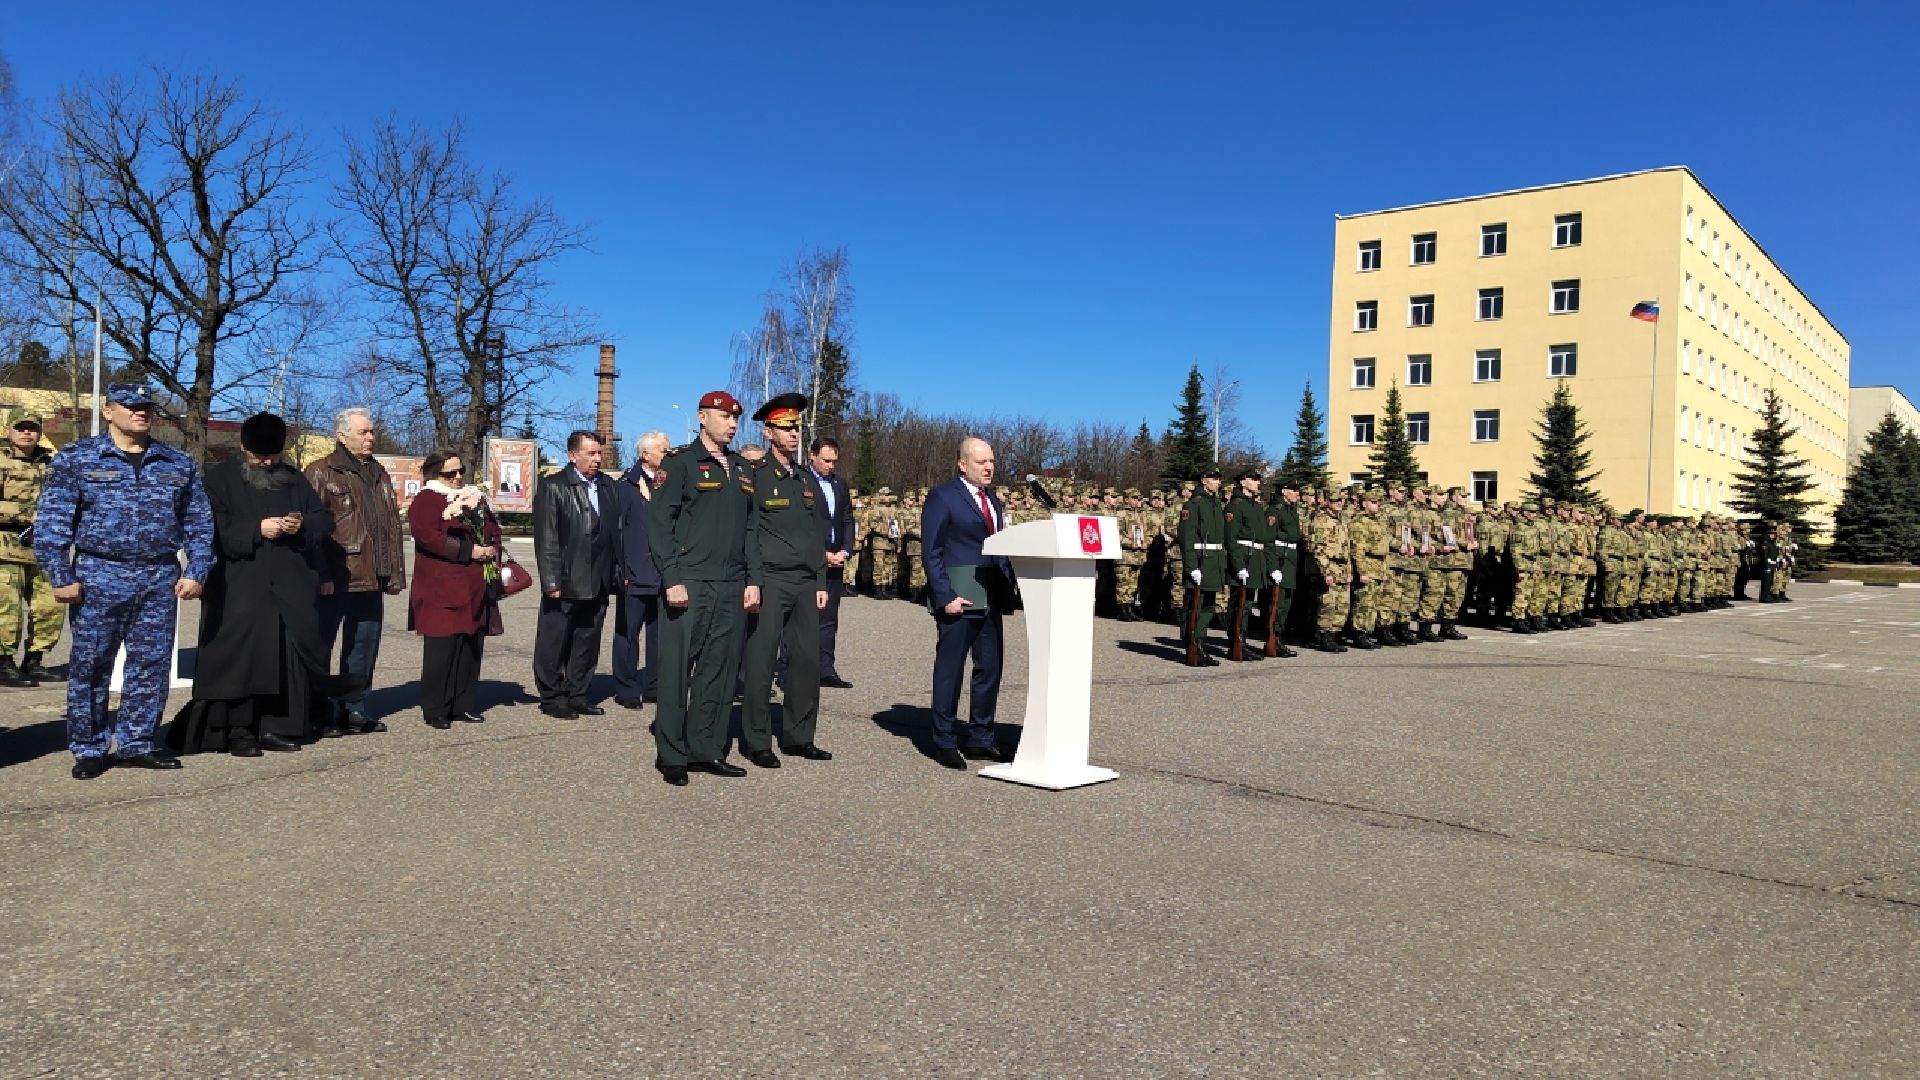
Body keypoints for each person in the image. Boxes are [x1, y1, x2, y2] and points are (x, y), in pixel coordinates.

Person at [33, 383, 214, 779]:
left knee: (151, 665)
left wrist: (197, 570)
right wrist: (61, 575)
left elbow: (199, 523)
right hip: (98, 574)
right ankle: (90, 747)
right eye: (130, 406)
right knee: (91, 665)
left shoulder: (176, 463)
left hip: (158, 576)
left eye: (146, 406)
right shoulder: (78, 458)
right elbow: (52, 523)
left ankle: (137, 743)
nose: (140, 412)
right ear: (108, 411)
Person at [168, 413, 336, 756]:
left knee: (285, 660)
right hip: (238, 585)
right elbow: (208, 528)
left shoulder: (293, 479)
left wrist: (300, 525)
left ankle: (278, 726)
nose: (266, 462)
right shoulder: (220, 479)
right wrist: (256, 529)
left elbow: (323, 520)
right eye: (259, 457)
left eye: (272, 457)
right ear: (244, 448)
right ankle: (238, 731)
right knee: (240, 661)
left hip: (289, 586)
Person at [649, 391, 753, 786]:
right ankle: (672, 754)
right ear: (702, 417)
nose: (732, 424)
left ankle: (705, 750)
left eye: (735, 418)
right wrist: (672, 577)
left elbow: (751, 529)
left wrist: (753, 580)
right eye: (724, 417)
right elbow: (660, 524)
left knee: (718, 671)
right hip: (689, 582)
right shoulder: (680, 464)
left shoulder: (741, 469)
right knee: (676, 671)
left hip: (731, 584)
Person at [739, 393, 832, 767]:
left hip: (805, 583)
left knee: (806, 663)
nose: (794, 434)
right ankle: (757, 741)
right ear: (768, 433)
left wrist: (821, 579)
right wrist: (753, 580)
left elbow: (816, 533)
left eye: (797, 428)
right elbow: (747, 532)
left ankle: (799, 736)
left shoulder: (805, 478)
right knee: (761, 663)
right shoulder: (755, 476)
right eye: (786, 427)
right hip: (771, 581)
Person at [304, 407, 407, 735]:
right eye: (363, 432)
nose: (370, 437)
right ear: (342, 435)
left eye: (372, 431)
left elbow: (390, 527)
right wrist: (321, 575)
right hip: (336, 575)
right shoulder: (320, 471)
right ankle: (317, 712)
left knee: (363, 646)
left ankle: (354, 709)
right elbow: (311, 531)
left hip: (371, 575)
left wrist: (394, 572)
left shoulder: (379, 473)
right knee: (320, 646)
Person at [921, 437, 1017, 770]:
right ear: (962, 464)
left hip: (990, 597)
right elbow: (931, 551)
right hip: (959, 598)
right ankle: (944, 740)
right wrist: (944, 596)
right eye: (981, 462)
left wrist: (1008, 588)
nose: (989, 468)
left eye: (992, 461)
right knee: (951, 670)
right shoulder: (943, 497)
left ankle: (981, 737)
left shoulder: (993, 500)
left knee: (989, 668)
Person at [407, 448, 504, 728]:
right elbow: (428, 537)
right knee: (442, 649)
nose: (458, 476)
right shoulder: (427, 499)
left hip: (474, 586)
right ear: (435, 473)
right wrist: (469, 551)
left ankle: (463, 704)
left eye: (461, 470)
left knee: (470, 647)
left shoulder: (474, 496)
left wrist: (491, 546)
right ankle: (436, 708)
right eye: (451, 473)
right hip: (441, 587)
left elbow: (492, 529)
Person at [531, 431, 622, 718]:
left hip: (599, 579)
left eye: (599, 453)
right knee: (555, 640)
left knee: (587, 640)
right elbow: (546, 538)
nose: (597, 459)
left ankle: (578, 693)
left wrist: (617, 572)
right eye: (590, 453)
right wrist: (551, 581)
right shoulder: (554, 486)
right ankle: (552, 696)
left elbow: (615, 533)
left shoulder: (608, 485)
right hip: (566, 579)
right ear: (573, 455)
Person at [0, 407, 63, 687]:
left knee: (50, 605)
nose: (27, 432)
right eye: (20, 427)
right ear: (8, 430)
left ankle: (34, 661)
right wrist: (28, 514)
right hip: (6, 546)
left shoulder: (52, 463)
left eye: (33, 428)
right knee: (7, 609)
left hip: (45, 547)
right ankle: (3, 664)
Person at [611, 430, 667, 710]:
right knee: (628, 634)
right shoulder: (626, 486)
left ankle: (654, 687)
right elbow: (616, 532)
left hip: (663, 574)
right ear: (645, 454)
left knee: (659, 636)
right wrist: (620, 569)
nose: (667, 455)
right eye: (663, 450)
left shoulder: (668, 482)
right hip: (633, 573)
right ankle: (627, 689)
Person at [809, 434, 856, 689]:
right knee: (804, 618)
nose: (831, 466)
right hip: (809, 561)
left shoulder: (840, 484)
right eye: (826, 460)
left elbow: (847, 519)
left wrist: (845, 550)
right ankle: (795, 670)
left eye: (834, 461)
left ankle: (825, 669)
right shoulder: (801, 481)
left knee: (829, 618)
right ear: (812, 456)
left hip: (836, 561)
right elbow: (800, 526)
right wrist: (820, 553)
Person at [1176, 467, 1226, 666]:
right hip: (1200, 560)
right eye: (1214, 479)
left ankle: (1201, 644)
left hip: (1214, 561)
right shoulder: (1193, 504)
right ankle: (1191, 645)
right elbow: (1186, 538)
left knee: (1208, 607)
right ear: (1204, 480)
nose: (1218, 482)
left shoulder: (1216, 504)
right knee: (1194, 607)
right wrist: (1191, 567)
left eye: (1219, 479)